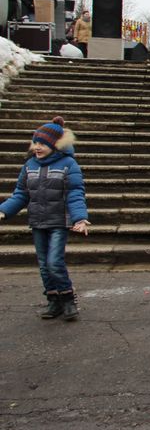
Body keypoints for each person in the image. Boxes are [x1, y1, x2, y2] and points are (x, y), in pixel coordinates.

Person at [0, 117, 90, 321]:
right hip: (38, 221)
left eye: (42, 144)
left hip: (59, 221)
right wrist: (3, 211)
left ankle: (68, 299)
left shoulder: (68, 164)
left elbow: (75, 193)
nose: (37, 148)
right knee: (43, 264)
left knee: (54, 262)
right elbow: (21, 194)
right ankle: (54, 300)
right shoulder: (30, 165)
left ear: (54, 145)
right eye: (35, 143)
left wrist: (80, 218)